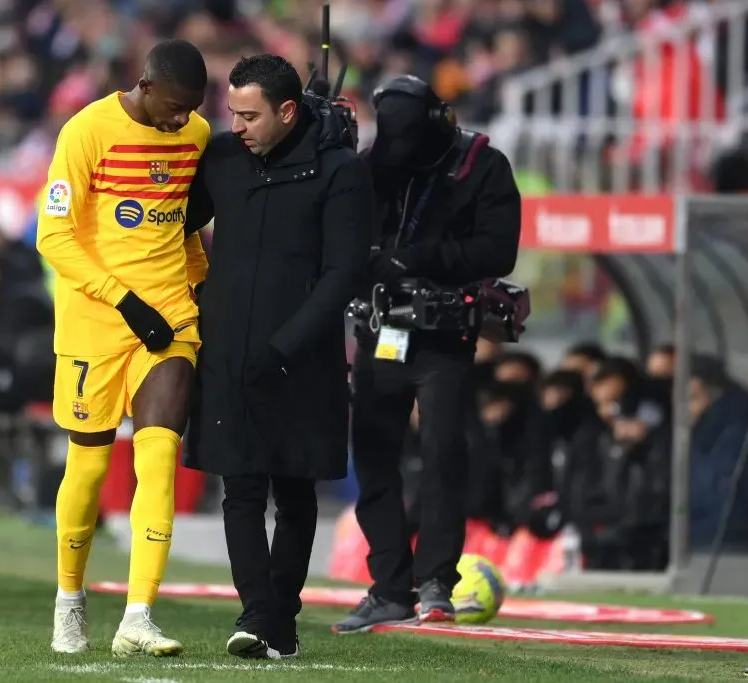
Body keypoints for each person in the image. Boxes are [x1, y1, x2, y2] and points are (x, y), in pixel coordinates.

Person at [182, 54, 373, 659]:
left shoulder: (339, 171)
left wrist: (287, 345)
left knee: (293, 492)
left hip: (302, 356)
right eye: (231, 113)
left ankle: (280, 619)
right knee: (238, 487)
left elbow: (344, 273)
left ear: (288, 111)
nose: (236, 126)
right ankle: (256, 614)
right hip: (226, 351)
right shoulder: (222, 157)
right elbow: (175, 222)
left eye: (249, 115)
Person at [37, 39, 211, 658]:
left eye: (192, 108)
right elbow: (53, 238)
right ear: (144, 85)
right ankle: (69, 600)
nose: (180, 120)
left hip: (169, 321)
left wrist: (197, 283)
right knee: (86, 468)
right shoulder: (86, 131)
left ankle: (138, 615)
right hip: (96, 325)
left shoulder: (195, 134)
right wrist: (123, 301)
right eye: (173, 107)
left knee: (159, 456)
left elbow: (184, 221)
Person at [333, 75, 521, 633]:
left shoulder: (482, 165)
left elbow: (498, 249)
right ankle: (390, 585)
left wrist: (415, 258)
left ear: (439, 121)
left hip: (443, 331)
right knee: (373, 454)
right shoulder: (373, 166)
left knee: (443, 453)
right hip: (380, 327)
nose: (402, 150)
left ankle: (436, 581)